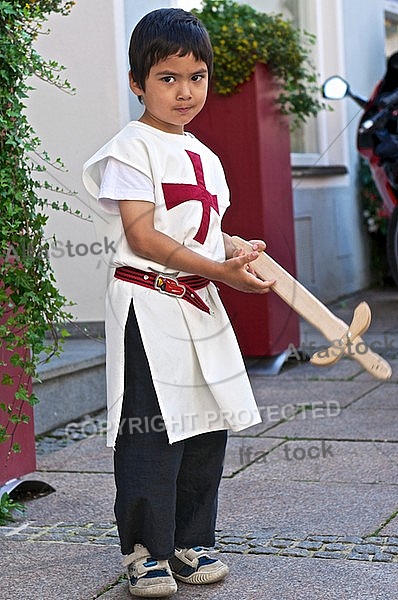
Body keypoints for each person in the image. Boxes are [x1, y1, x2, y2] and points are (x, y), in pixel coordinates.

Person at [83, 7, 275, 598]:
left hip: (199, 305)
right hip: (150, 303)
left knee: (207, 421)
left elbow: (204, 227)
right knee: (152, 428)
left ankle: (192, 541)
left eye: (196, 77)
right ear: (138, 82)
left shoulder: (206, 157)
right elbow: (144, 237)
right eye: (168, 78)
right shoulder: (129, 150)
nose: (185, 91)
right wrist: (220, 269)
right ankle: (146, 552)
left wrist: (236, 251)